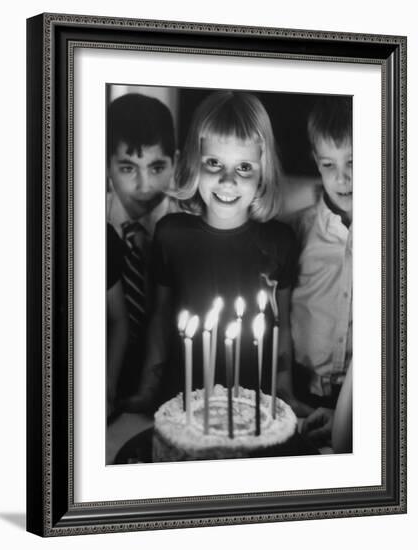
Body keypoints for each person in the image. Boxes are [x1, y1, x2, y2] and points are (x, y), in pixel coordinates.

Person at [124, 91, 308, 415]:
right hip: (180, 398)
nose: (227, 180)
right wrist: (147, 389)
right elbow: (161, 318)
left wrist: (286, 393)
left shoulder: (281, 241)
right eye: (214, 163)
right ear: (195, 162)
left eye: (244, 167)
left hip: (253, 403)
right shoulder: (171, 234)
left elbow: (284, 327)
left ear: (263, 172)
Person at [106, 93, 178, 420]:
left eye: (157, 166)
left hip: (172, 389)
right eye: (127, 168)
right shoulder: (85, 223)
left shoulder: (188, 228)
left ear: (175, 163)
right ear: (107, 166)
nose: (144, 184)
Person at [290, 96, 353, 438]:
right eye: (329, 165)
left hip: (360, 397)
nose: (342, 178)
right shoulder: (300, 228)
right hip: (301, 390)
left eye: (353, 161)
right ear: (316, 161)